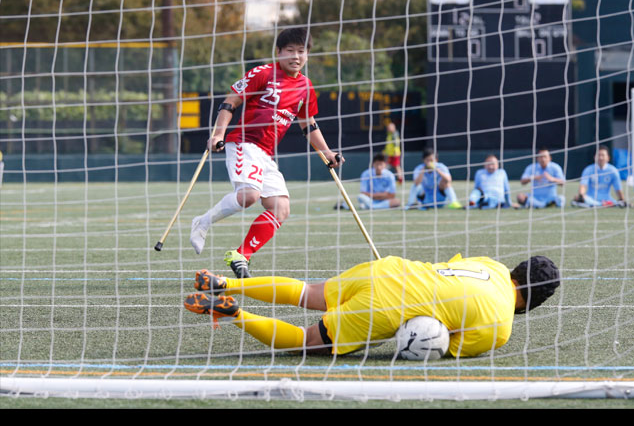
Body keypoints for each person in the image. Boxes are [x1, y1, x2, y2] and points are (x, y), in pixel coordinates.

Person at [184, 253, 560, 358]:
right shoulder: (500, 330)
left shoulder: (491, 265)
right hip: (386, 308)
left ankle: (227, 282)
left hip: (391, 269)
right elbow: (443, 343)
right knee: (304, 340)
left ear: (517, 270)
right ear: (536, 302)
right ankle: (233, 313)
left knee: (306, 293)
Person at [189, 27, 343, 278]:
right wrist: (218, 134)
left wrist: (327, 152)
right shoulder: (263, 73)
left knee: (280, 208)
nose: (296, 56)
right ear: (279, 52)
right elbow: (230, 102)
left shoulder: (305, 86)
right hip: (243, 143)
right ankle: (202, 222)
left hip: (266, 154)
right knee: (249, 195)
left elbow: (309, 125)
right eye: (290, 51)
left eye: (301, 51)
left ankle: (241, 255)